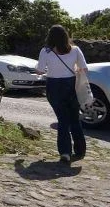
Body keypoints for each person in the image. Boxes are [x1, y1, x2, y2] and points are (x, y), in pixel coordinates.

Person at [35, 24, 89, 163]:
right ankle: (80, 150)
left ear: (50, 37)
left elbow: (40, 71)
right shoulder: (75, 50)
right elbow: (84, 69)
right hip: (71, 85)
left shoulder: (45, 51)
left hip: (54, 86)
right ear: (65, 36)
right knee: (75, 118)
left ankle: (65, 152)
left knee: (62, 119)